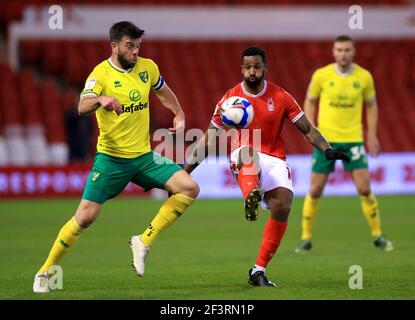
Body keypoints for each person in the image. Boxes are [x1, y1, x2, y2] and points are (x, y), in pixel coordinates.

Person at [33, 21, 199, 293]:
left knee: (189, 188)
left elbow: (163, 91)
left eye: (137, 46)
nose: (135, 51)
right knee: (85, 217)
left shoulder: (148, 67)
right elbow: (81, 106)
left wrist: (178, 112)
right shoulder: (100, 74)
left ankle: (142, 242)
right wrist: (100, 100)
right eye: (129, 46)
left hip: (144, 156)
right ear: (114, 46)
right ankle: (45, 271)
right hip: (111, 160)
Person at [185, 46, 349, 287]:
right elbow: (209, 139)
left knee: (283, 205)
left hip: (275, 158)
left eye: (257, 66)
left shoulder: (281, 97)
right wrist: (185, 171)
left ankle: (258, 271)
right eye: (248, 67)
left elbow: (308, 129)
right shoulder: (229, 101)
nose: (252, 71)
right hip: (244, 155)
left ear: (265, 68)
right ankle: (250, 194)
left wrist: (327, 149)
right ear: (241, 69)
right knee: (249, 154)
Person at [295, 35, 393, 253]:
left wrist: (372, 135)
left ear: (353, 51)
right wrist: (311, 130)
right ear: (333, 51)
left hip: (353, 139)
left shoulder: (364, 77)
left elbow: (372, 105)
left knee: (364, 188)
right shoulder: (321, 75)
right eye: (339, 49)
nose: (343, 54)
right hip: (326, 142)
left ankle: (378, 235)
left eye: (347, 50)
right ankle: (305, 237)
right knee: (315, 189)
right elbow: (309, 101)